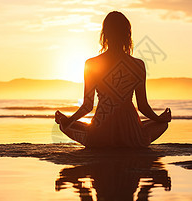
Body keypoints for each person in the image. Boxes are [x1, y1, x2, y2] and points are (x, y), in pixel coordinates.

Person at [55, 11, 171, 148]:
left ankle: (71, 124)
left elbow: (87, 106)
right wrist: (159, 119)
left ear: (105, 35)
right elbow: (142, 106)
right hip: (130, 129)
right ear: (127, 35)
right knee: (161, 124)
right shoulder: (138, 65)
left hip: (101, 128)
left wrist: (69, 121)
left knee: (68, 126)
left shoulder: (91, 64)